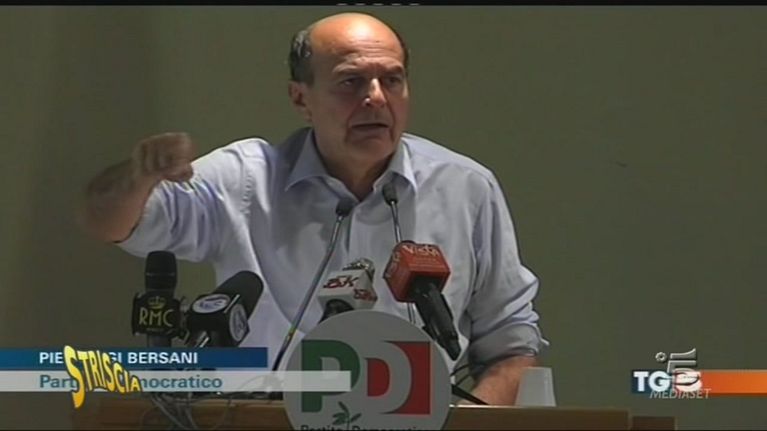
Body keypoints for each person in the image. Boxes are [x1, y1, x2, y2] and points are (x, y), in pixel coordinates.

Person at [79, 12, 547, 405]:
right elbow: (109, 223)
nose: (376, 97)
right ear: (301, 98)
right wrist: (139, 176)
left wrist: (468, 421)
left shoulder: (465, 187)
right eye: (351, 82)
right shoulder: (245, 180)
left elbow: (511, 344)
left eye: (392, 80)